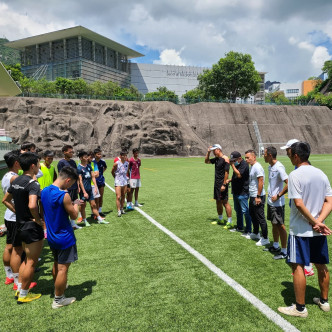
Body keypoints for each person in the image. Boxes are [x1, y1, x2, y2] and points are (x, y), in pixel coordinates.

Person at [278, 142, 332, 317]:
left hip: (300, 230)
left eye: (289, 153)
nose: (288, 156)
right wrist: (319, 222)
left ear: (296, 156)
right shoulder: (321, 174)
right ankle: (324, 302)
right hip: (318, 230)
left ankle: (300, 308)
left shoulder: (295, 175)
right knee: (321, 265)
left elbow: (298, 203)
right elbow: (329, 202)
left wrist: (313, 222)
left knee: (297, 266)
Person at [2, 152, 44, 304]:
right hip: (31, 227)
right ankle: (24, 294)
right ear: (33, 166)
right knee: (31, 261)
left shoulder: (16, 180)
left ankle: (20, 288)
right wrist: (38, 220)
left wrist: (18, 212)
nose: (39, 166)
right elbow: (33, 205)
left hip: (19, 224)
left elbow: (5, 200)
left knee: (25, 259)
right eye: (38, 164)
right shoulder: (33, 184)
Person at [41, 166, 80, 309]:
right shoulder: (64, 195)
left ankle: (58, 287)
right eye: (71, 184)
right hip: (64, 237)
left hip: (51, 236)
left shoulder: (44, 191)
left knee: (56, 263)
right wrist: (75, 204)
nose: (70, 186)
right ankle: (58, 300)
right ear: (68, 180)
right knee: (63, 269)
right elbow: (74, 215)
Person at [281, 139, 314, 276]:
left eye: (289, 149)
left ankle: (306, 266)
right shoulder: (298, 167)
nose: (287, 152)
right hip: (300, 209)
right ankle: (306, 265)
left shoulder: (300, 168)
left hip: (303, 211)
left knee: (303, 239)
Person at [264, 147, 288, 259]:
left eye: (264, 154)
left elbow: (289, 183)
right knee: (274, 224)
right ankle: (275, 245)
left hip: (277, 203)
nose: (263, 156)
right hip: (270, 202)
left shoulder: (279, 167)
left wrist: (278, 195)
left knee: (280, 225)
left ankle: (284, 251)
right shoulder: (270, 166)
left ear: (269, 155)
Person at [1, 151, 20, 285]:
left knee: (9, 246)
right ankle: (18, 282)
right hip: (14, 217)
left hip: (9, 216)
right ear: (16, 163)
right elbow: (7, 199)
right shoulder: (14, 178)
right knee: (17, 249)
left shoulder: (6, 175)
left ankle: (9, 276)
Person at [244, 150, 269, 246]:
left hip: (258, 196)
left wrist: (258, 196)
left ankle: (265, 238)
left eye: (248, 157)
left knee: (260, 217)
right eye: (245, 158)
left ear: (254, 157)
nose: (246, 159)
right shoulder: (252, 167)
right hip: (253, 195)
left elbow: (261, 181)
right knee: (252, 214)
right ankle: (255, 233)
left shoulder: (257, 167)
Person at [77, 151, 109, 226]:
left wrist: (95, 187)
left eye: (86, 156)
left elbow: (93, 177)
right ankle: (84, 220)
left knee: (93, 205)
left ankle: (99, 219)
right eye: (85, 157)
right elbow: (80, 181)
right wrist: (84, 192)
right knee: (83, 205)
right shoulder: (79, 168)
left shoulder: (89, 166)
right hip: (83, 190)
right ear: (81, 158)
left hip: (90, 189)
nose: (87, 158)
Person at [205, 144, 232, 228]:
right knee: (218, 201)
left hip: (222, 184)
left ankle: (229, 222)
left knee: (225, 202)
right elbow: (206, 161)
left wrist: (224, 184)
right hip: (216, 184)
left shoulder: (225, 159)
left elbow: (226, 172)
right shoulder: (217, 159)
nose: (213, 152)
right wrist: (208, 152)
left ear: (218, 150)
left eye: (214, 150)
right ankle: (220, 219)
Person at [226, 151, 252, 235]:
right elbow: (236, 176)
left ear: (240, 159)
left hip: (243, 192)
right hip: (236, 191)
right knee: (238, 210)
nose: (233, 162)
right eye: (232, 160)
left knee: (245, 211)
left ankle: (248, 230)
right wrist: (230, 180)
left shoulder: (244, 164)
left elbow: (239, 175)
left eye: (234, 160)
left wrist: (232, 165)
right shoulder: (237, 164)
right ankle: (239, 226)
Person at [57, 145, 81, 230]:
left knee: (75, 203)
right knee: (67, 206)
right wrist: (64, 188)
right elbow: (61, 176)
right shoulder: (61, 163)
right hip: (67, 188)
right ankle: (65, 224)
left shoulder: (73, 162)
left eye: (72, 152)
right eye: (70, 152)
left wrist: (78, 186)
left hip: (74, 187)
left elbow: (76, 175)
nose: (72, 153)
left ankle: (73, 224)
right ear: (64, 152)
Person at [112, 151, 129, 217]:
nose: (125, 157)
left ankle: (122, 209)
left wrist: (127, 180)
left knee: (123, 195)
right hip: (118, 181)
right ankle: (118, 210)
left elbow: (127, 172)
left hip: (124, 181)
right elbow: (112, 171)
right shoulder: (116, 163)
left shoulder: (127, 163)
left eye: (126, 156)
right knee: (118, 196)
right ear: (121, 156)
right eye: (124, 155)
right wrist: (115, 178)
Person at [93, 148, 107, 216]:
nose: (100, 155)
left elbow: (105, 167)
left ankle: (100, 211)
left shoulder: (103, 162)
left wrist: (101, 174)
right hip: (93, 182)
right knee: (94, 198)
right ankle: (94, 212)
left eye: (100, 154)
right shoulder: (92, 162)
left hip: (101, 181)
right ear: (95, 155)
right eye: (98, 154)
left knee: (101, 197)